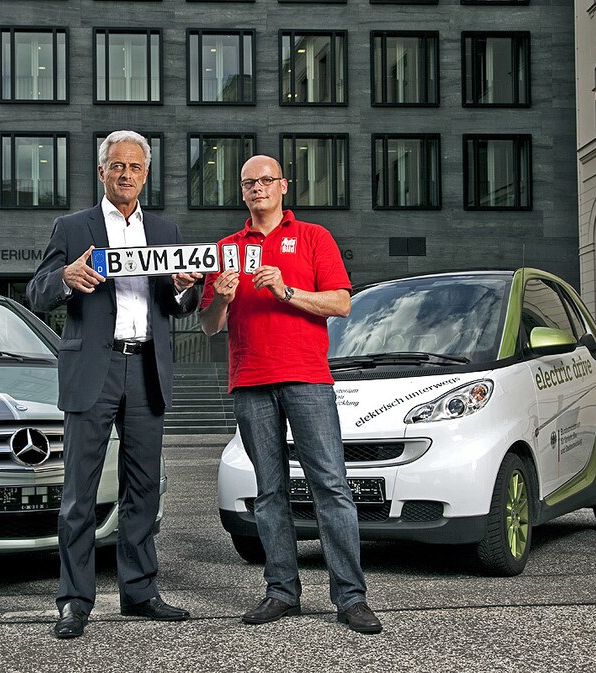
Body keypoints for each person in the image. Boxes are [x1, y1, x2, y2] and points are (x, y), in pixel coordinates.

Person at [27, 130, 202, 639]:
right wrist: (66, 278)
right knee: (80, 492)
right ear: (101, 172)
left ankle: (140, 591)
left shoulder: (166, 230)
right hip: (92, 373)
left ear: (146, 175)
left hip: (147, 367)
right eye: (117, 166)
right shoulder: (72, 226)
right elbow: (39, 293)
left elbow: (179, 306)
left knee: (143, 489)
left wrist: (183, 289)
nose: (126, 174)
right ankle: (75, 600)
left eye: (135, 167)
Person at [199, 155, 382, 634]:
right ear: (242, 192)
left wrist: (286, 289)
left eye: (266, 180)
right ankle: (282, 591)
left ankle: (351, 597)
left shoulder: (313, 237)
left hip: (306, 378)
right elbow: (208, 326)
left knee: (331, 486)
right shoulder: (225, 248)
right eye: (248, 183)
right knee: (269, 492)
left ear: (283, 186)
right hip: (250, 381)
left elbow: (341, 303)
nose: (257, 188)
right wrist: (220, 295)